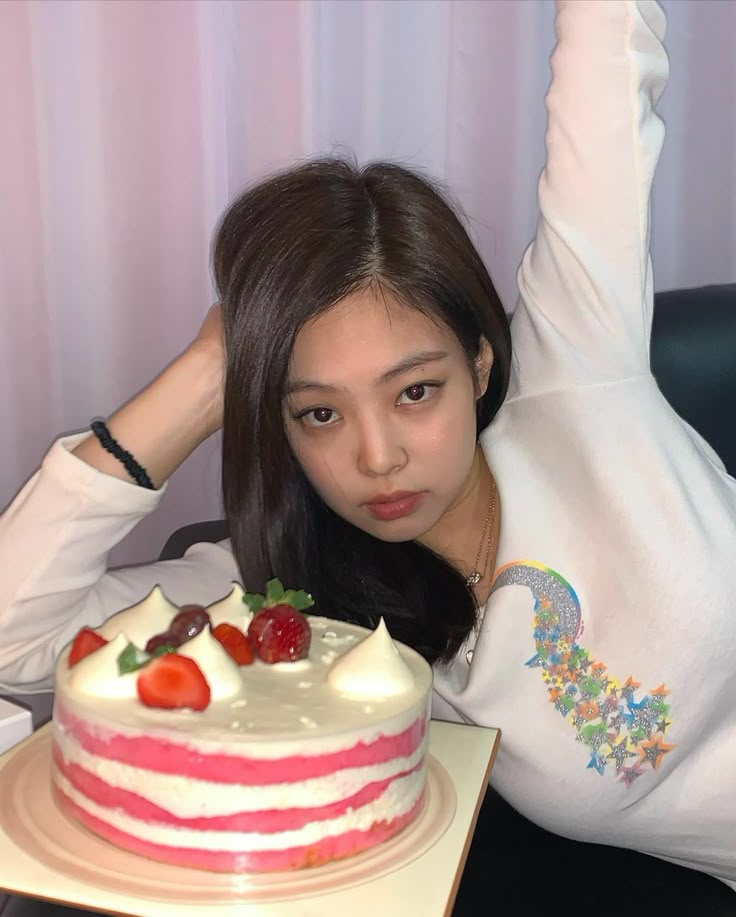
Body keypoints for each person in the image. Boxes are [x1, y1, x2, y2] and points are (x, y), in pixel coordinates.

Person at [1, 0, 735, 891]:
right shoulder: (299, 596)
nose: (377, 457)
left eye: (415, 391)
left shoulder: (577, 375)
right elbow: (16, 635)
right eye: (319, 413)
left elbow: (609, 56)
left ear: (480, 360)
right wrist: (208, 374)